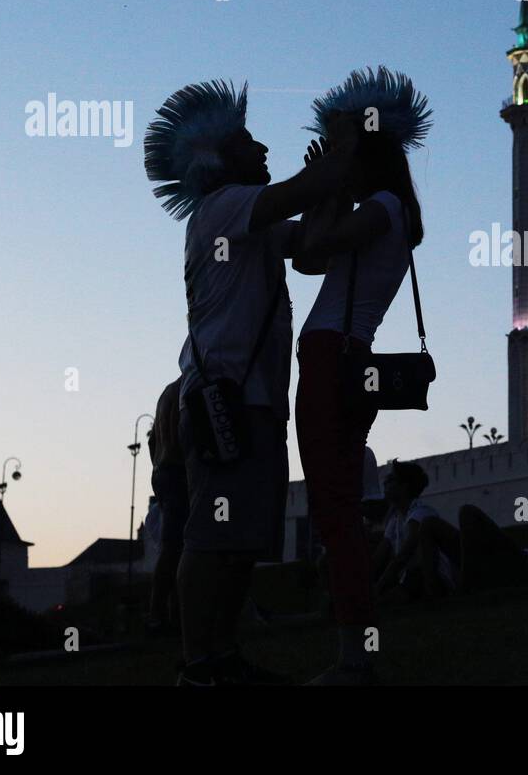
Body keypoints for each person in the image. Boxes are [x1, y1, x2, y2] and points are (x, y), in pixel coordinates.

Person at [143, 79, 357, 685]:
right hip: (229, 397)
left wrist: (329, 185)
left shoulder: (244, 215)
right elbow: (304, 196)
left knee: (237, 539)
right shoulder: (225, 206)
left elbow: (311, 251)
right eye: (246, 141)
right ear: (216, 159)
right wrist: (348, 139)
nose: (262, 148)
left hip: (248, 398)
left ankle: (219, 657)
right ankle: (199, 664)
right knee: (212, 537)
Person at [293, 66, 432, 686]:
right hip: (344, 358)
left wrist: (325, 184)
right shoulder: (387, 210)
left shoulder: (380, 209)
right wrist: (326, 189)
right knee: (338, 507)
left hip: (334, 358)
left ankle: (356, 658)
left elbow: (307, 250)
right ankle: (356, 650)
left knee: (334, 509)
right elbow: (311, 258)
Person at [371, 461, 457, 600]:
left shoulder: (421, 513)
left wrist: (377, 588)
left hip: (427, 577)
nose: (385, 482)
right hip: (408, 577)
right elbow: (381, 553)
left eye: (391, 479)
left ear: (404, 486)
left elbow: (404, 555)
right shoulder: (395, 520)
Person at [146, 377, 183, 636]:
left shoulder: (168, 391)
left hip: (163, 472)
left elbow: (152, 441)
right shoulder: (189, 387)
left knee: (173, 549)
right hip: (179, 472)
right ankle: (163, 615)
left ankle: (164, 615)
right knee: (177, 549)